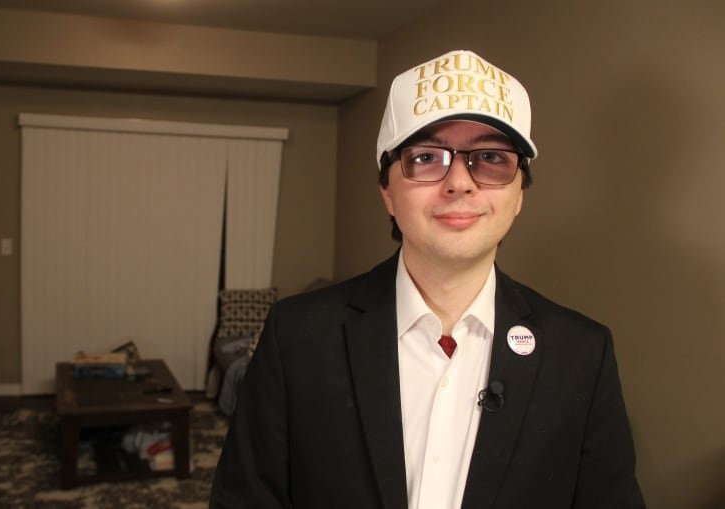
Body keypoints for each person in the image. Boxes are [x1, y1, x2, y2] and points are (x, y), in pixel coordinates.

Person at [210, 49, 645, 509]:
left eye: (492, 157)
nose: (459, 181)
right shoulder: (297, 337)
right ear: (388, 193)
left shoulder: (581, 354)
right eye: (426, 157)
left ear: (519, 195)